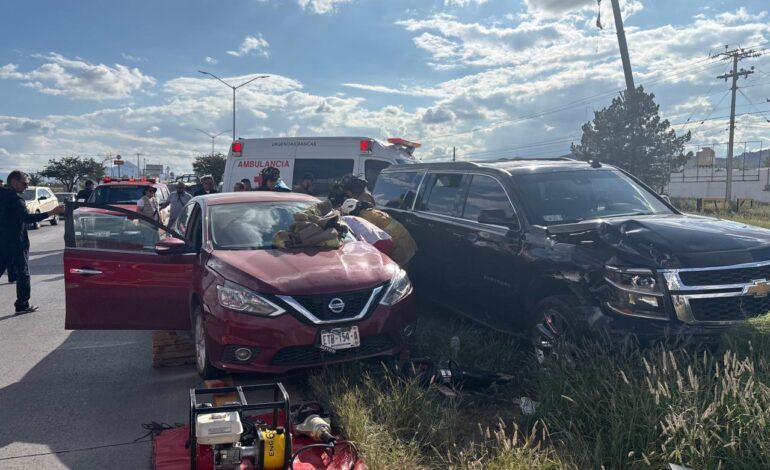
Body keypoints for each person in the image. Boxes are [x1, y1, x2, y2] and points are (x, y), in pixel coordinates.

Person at [0, 170, 65, 314]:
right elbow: (27, 218)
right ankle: (22, 305)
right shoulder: (16, 199)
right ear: (14, 181)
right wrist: (51, 212)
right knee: (23, 274)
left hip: (2, 240)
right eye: (24, 183)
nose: (26, 186)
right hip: (16, 241)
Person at [340, 198, 416, 268]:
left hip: (398, 246)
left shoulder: (363, 217)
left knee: (395, 272)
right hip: (406, 240)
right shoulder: (371, 211)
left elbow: (369, 239)